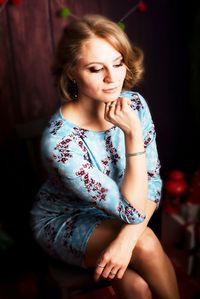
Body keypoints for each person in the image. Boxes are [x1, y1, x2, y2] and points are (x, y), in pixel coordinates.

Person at [30, 14, 180, 299]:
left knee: (137, 287)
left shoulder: (133, 104)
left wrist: (125, 240)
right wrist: (133, 136)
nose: (113, 78)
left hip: (117, 214)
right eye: (96, 68)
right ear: (72, 72)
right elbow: (133, 211)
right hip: (66, 219)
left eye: (118, 63)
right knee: (145, 242)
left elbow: (153, 183)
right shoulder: (60, 142)